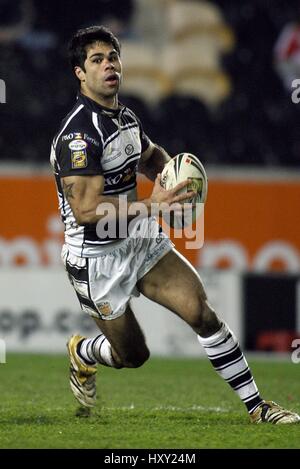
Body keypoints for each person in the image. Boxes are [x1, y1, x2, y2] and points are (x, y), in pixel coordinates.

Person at [50, 25, 300, 424]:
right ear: (80, 73)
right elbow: (86, 211)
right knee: (133, 356)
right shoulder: (79, 136)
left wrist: (173, 178)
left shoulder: (126, 118)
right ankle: (82, 352)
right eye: (96, 60)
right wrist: (153, 203)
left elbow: (149, 157)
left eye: (112, 56)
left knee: (201, 313)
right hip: (95, 258)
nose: (109, 65)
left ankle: (258, 407)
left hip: (139, 240)